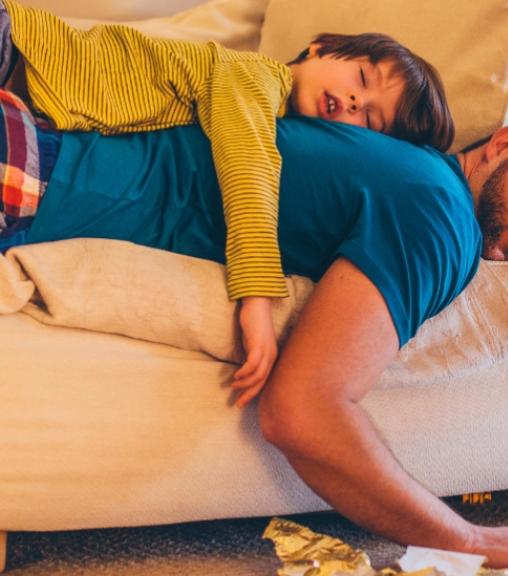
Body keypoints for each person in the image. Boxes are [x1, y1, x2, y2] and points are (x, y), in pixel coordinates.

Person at [2, 105, 508, 568]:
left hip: (37, 160)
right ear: (505, 144)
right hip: (32, 186)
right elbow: (302, 411)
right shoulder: (442, 220)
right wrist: (471, 537)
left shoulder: (411, 170)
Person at [0, 0, 454, 405]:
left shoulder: (283, 127)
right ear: (318, 47)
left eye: (369, 119)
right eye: (361, 78)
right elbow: (247, 163)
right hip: (21, 50)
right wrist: (257, 296)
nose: (355, 100)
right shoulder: (253, 77)